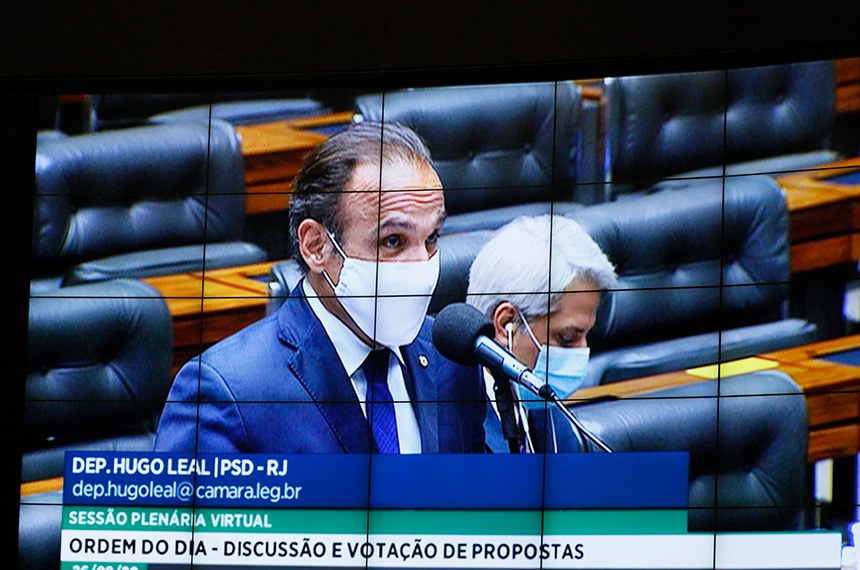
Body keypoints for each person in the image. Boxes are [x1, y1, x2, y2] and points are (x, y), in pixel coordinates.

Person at [155, 121, 486, 454]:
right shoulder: (228, 393)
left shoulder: (452, 360)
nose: (421, 264)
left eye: (431, 238)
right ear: (316, 246)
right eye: (393, 241)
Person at [465, 215, 617, 453]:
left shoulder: (545, 406)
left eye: (587, 335)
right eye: (567, 338)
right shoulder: (447, 421)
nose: (582, 353)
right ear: (506, 324)